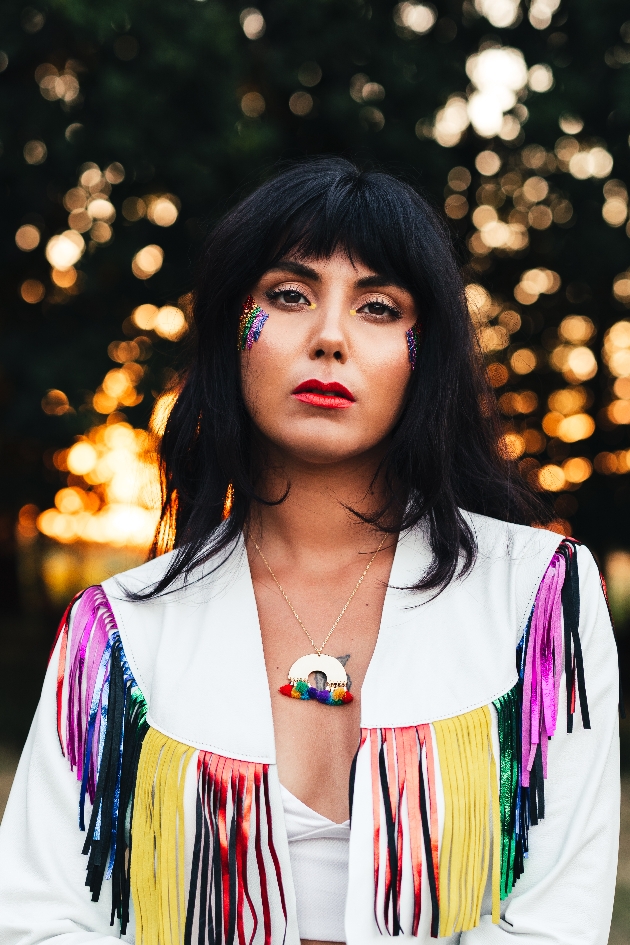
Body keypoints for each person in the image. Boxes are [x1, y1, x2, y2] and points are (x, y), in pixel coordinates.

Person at [0, 157, 620, 945]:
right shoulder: (117, 632)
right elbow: (42, 915)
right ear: (234, 331)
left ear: (423, 352)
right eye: (289, 295)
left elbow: (553, 920)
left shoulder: (540, 601)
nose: (329, 337)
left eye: (379, 307)